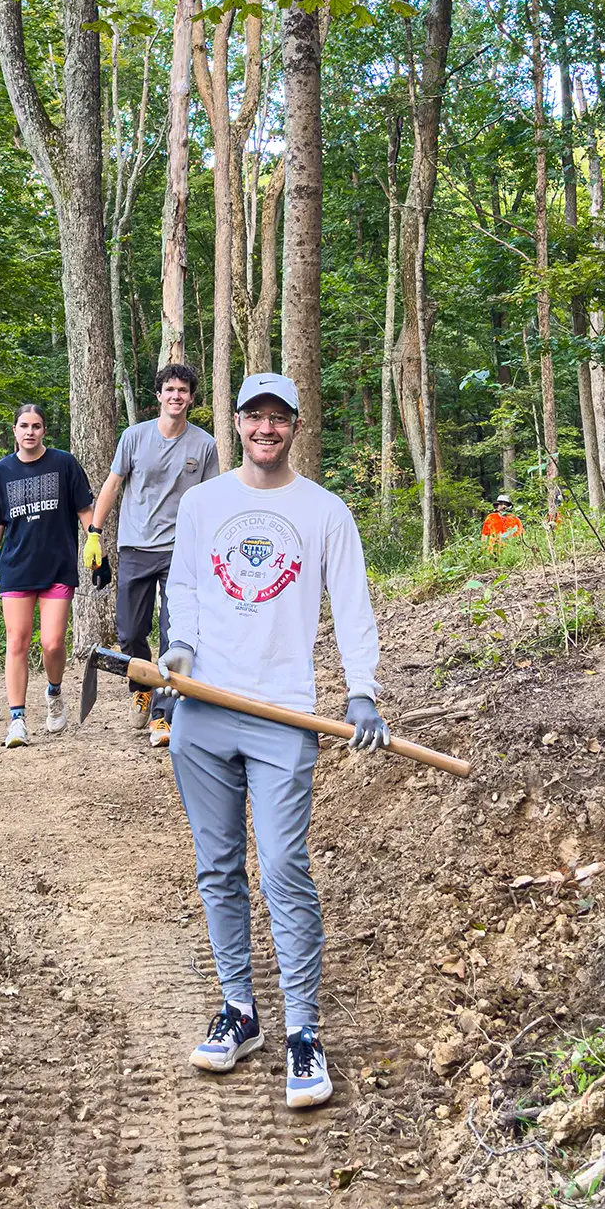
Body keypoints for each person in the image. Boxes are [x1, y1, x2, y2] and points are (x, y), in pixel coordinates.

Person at [161, 372, 389, 1111]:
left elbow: (351, 603)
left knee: (285, 867)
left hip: (285, 715)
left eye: (278, 417)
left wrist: (362, 690)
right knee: (217, 865)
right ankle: (239, 1010)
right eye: (253, 415)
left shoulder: (324, 512)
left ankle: (302, 1031)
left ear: (295, 425)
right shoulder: (202, 504)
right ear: (234, 422)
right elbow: (185, 587)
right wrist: (180, 655)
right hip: (202, 710)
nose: (265, 428)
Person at [89, 360, 216, 750]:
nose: (176, 396)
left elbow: (210, 501)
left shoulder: (204, 444)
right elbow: (112, 485)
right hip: (135, 545)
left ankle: (163, 714)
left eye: (183, 391)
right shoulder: (134, 437)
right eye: (170, 390)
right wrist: (94, 533)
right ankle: (142, 687)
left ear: (191, 398)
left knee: (173, 632)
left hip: (181, 550)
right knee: (129, 632)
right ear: (158, 396)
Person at [0, 403, 96, 749]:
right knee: (16, 640)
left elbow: (84, 510)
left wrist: (96, 544)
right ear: (14, 431)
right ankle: (17, 720)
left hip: (58, 566)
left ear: (45, 430)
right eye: (24, 426)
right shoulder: (1, 472)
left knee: (52, 643)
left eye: (36, 426)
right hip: (16, 567)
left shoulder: (64, 464)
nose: (30, 431)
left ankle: (54, 691)